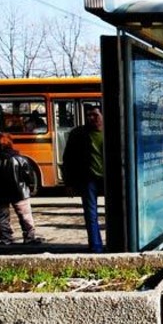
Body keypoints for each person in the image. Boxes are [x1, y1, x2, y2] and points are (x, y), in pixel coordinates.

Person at [0, 134, 43, 245]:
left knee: (2, 218)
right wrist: (31, 188)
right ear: (10, 144)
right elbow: (29, 177)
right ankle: (29, 238)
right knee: (25, 216)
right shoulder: (20, 159)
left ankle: (6, 239)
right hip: (20, 192)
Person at [63, 105, 105, 253]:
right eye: (88, 115)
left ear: (103, 116)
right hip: (87, 179)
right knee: (90, 214)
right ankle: (96, 247)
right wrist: (69, 182)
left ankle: (115, 243)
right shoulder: (78, 133)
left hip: (110, 179)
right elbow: (68, 159)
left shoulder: (112, 131)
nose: (91, 118)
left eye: (95, 115)